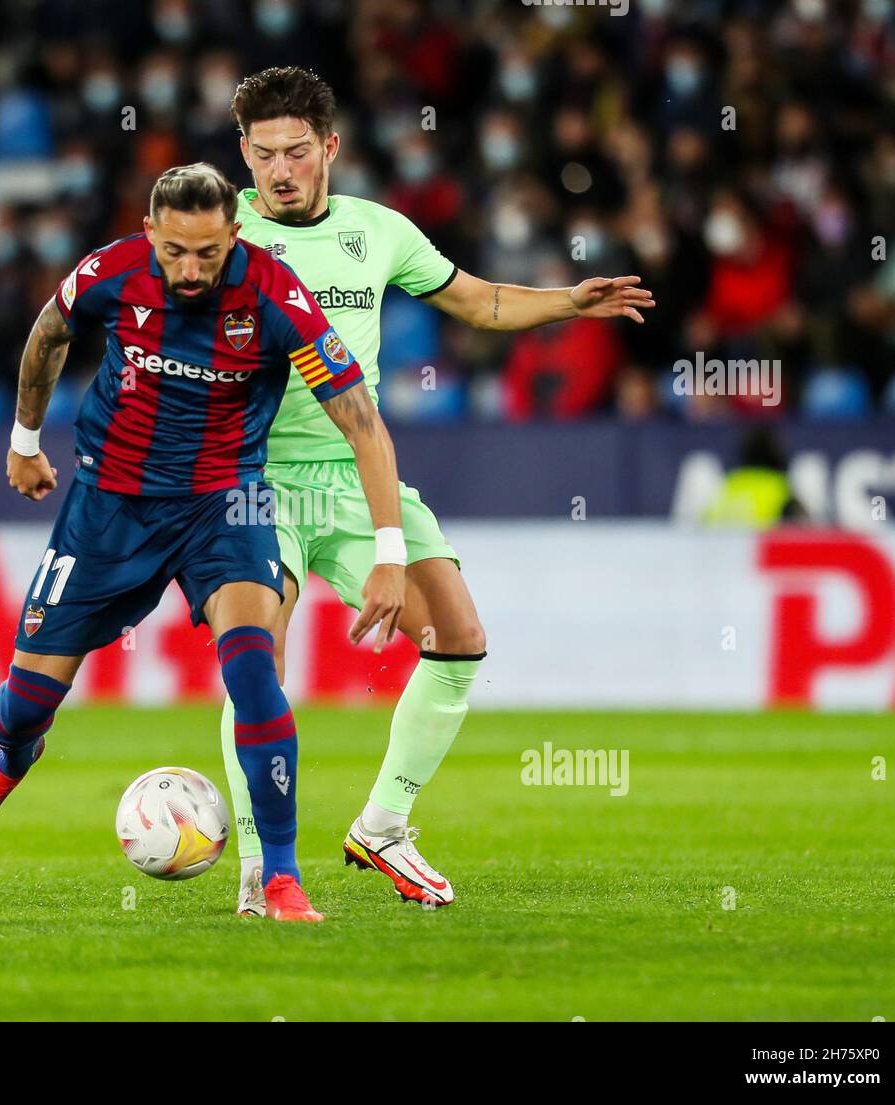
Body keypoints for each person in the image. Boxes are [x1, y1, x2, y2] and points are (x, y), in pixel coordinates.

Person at [223, 67, 654, 914]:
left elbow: (480, 303)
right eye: (264, 153)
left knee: (458, 637)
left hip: (358, 473)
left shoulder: (379, 232)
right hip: (249, 482)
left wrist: (567, 300)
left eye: (298, 152)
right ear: (243, 153)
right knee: (255, 663)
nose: (280, 169)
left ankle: (382, 825)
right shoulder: (215, 230)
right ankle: (258, 864)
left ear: (331, 150)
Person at [0, 163, 408, 923]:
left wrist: (390, 554)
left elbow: (360, 419)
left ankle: (281, 877)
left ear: (235, 235)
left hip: (227, 501)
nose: (190, 271)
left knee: (255, 671)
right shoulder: (114, 270)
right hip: (110, 506)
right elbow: (50, 332)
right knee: (24, 704)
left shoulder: (275, 295)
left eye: (208, 254)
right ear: (152, 232)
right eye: (175, 252)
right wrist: (24, 440)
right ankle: (6, 760)